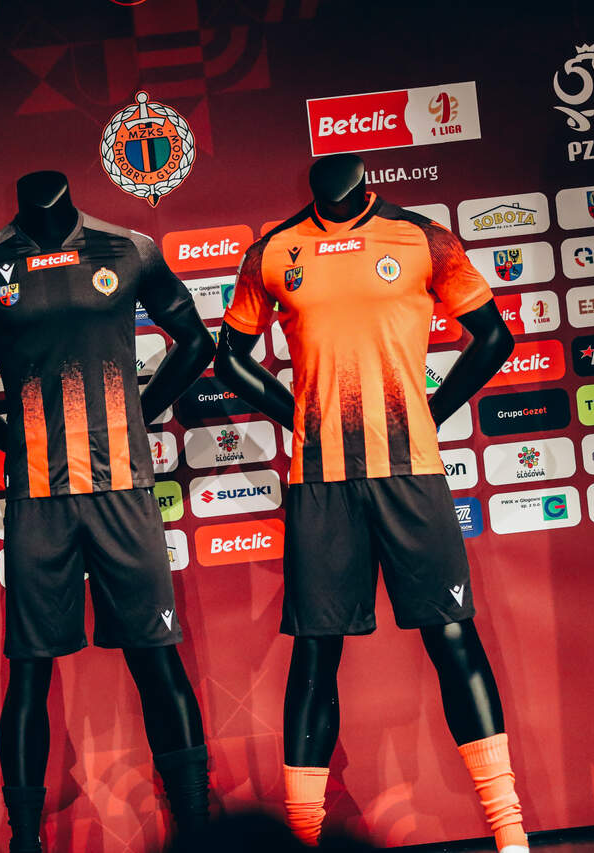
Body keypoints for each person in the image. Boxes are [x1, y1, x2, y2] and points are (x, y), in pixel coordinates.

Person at [214, 154, 531, 852]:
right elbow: (228, 358)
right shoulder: (274, 250)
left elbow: (495, 337)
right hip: (320, 482)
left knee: (453, 636)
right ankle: (302, 838)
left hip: (409, 471)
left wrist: (429, 411)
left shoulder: (423, 238)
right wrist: (298, 416)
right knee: (315, 652)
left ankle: (511, 836)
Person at [0, 170, 215, 853]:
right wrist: (7, 436)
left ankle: (199, 832)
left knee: (157, 660)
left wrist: (139, 414)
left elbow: (197, 343)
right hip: (38, 500)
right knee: (29, 671)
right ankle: (25, 841)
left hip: (122, 490)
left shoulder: (128, 249)